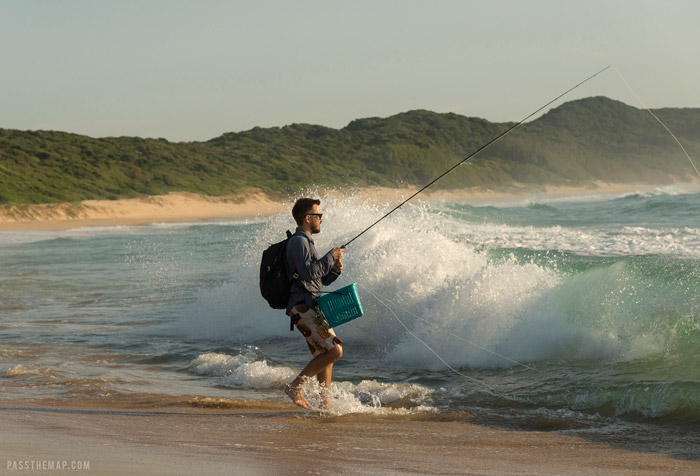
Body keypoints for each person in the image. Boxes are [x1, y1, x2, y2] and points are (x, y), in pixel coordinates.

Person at [284, 197, 345, 409]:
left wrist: (334, 269)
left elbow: (317, 280)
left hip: (307, 305)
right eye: (318, 216)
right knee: (335, 350)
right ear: (308, 218)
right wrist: (330, 255)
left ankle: (324, 406)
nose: (321, 219)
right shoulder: (299, 242)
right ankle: (295, 387)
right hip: (303, 306)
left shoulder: (306, 242)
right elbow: (309, 273)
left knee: (324, 355)